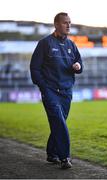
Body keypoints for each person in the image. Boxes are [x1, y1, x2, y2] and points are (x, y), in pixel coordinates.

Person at [30, 12, 83, 169]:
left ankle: (51, 153)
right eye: (65, 22)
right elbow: (34, 68)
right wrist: (44, 87)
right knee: (59, 122)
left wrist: (78, 66)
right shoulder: (45, 43)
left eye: (70, 23)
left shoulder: (71, 45)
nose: (68, 25)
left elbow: (79, 62)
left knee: (59, 122)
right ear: (56, 24)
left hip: (66, 91)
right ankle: (64, 157)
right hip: (51, 91)